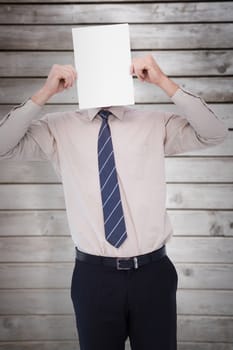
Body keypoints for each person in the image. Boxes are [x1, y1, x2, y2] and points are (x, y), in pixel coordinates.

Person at [0, 54, 228, 350]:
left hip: (153, 275)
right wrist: (44, 93)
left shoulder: (154, 123)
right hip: (94, 278)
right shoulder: (56, 128)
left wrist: (163, 82)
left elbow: (215, 133)